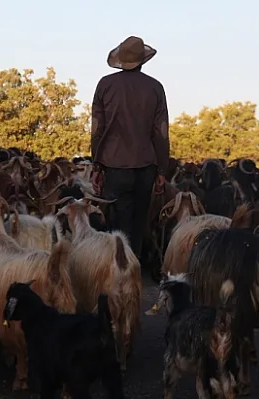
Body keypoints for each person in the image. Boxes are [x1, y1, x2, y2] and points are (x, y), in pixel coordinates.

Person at [90, 35, 170, 261]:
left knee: (116, 225)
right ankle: (133, 271)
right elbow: (161, 133)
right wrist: (162, 171)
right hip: (146, 167)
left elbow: (97, 129)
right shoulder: (155, 87)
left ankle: (115, 273)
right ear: (143, 61)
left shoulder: (105, 85)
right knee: (138, 223)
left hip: (113, 166)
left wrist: (96, 165)